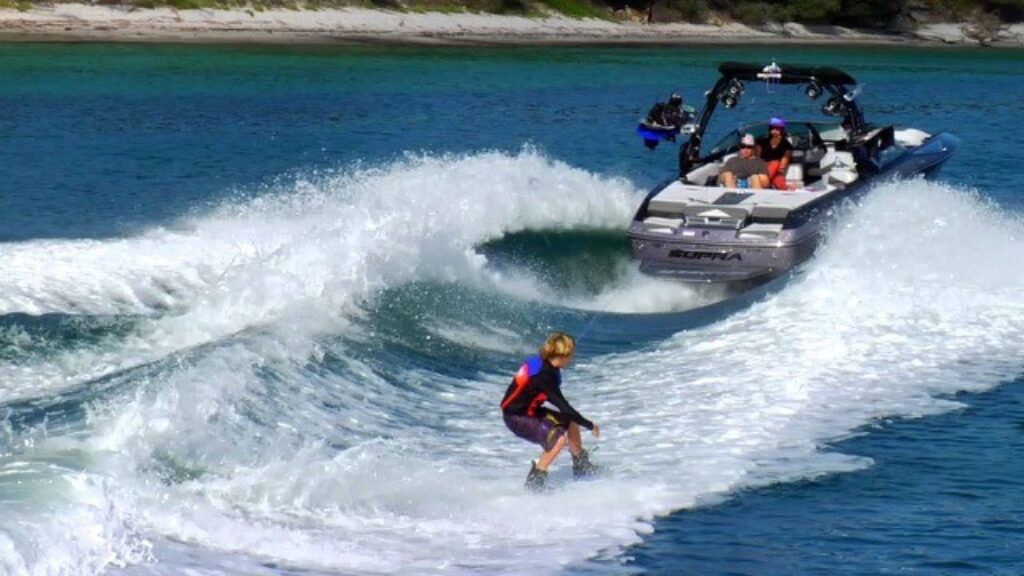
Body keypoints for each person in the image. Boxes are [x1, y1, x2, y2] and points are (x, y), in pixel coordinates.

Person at [500, 332, 600, 491]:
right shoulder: (544, 377)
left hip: (531, 411)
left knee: (571, 421)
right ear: (563, 354)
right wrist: (590, 425)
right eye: (571, 354)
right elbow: (564, 407)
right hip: (516, 417)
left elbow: (567, 412)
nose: (572, 358)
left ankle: (581, 464)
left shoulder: (545, 364)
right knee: (559, 440)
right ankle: (535, 482)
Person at [756, 117, 794, 189]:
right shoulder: (762, 142)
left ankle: (766, 182)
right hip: (762, 166)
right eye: (773, 128)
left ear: (782, 130)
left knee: (776, 165)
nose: (775, 130)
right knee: (774, 165)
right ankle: (765, 181)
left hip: (777, 169)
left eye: (777, 128)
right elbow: (757, 157)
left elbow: (785, 159)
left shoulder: (787, 145)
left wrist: (780, 171)